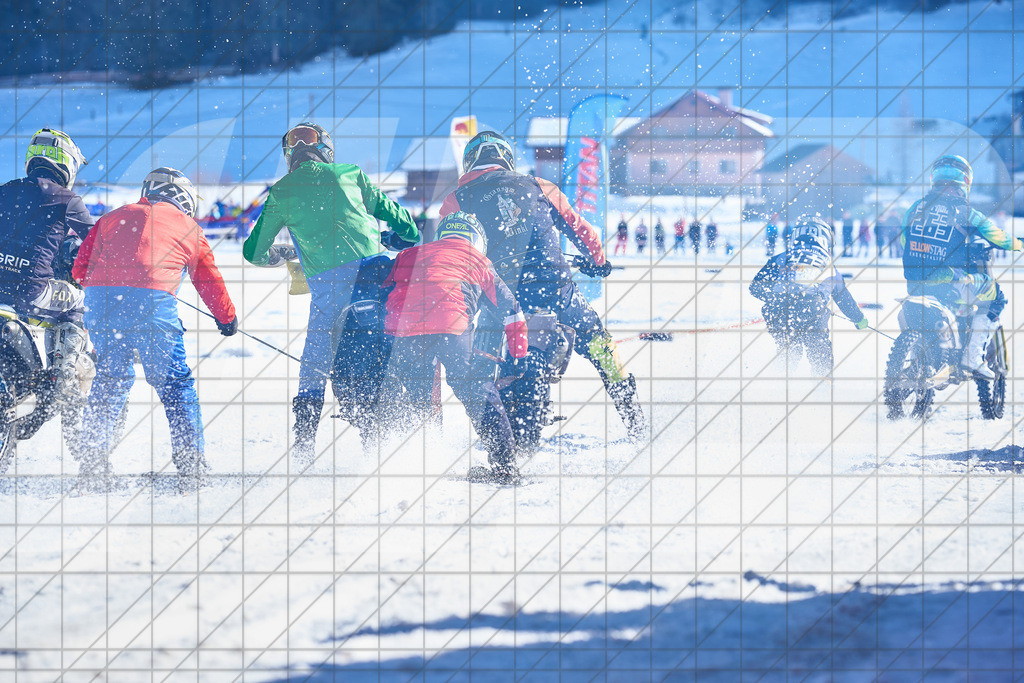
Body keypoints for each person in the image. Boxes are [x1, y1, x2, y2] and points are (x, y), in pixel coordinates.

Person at [439, 130, 646, 443]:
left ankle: (495, 436)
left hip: (499, 298)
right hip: (556, 288)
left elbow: (448, 249)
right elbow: (580, 228)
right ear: (506, 158)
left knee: (482, 365)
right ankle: (634, 421)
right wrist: (599, 262)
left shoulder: (456, 199)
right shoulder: (539, 185)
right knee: (600, 344)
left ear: (470, 163)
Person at [242, 122, 420, 463]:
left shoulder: (282, 192)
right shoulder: (350, 173)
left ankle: (304, 445)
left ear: (290, 154)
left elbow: (253, 252)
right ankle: (409, 428)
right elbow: (408, 228)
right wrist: (394, 239)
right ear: (326, 148)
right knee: (393, 345)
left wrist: (276, 256)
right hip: (378, 277)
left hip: (330, 293)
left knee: (315, 363)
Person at [72, 168, 238, 491]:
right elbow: (208, 279)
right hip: (152, 308)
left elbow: (80, 269)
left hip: (101, 303)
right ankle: (191, 465)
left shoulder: (112, 217)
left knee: (110, 380)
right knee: (175, 384)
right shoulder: (188, 227)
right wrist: (227, 318)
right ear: (184, 198)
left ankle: (92, 461)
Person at [383, 212, 528, 483]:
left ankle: (407, 462)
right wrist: (519, 355)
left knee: (412, 391)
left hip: (404, 326)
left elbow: (381, 286)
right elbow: (512, 312)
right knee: (475, 390)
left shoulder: (411, 254)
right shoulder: (479, 260)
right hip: (452, 325)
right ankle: (505, 467)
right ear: (476, 239)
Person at [900, 154, 1021, 379]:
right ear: (965, 182)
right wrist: (1020, 243)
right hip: (947, 282)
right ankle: (972, 357)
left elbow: (904, 241)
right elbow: (1000, 238)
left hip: (914, 283)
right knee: (995, 295)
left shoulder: (915, 208)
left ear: (934, 179)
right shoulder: (964, 212)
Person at [0, 128, 95, 400]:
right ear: (67, 163)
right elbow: (98, 243)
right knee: (76, 300)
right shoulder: (68, 200)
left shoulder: (5, 190)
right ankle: (64, 372)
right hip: (32, 291)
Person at [749, 215, 869, 375]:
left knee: (788, 351)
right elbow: (844, 299)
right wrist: (858, 319)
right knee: (820, 355)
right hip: (812, 310)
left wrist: (777, 298)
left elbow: (756, 287)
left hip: (778, 309)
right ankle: (821, 390)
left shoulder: (781, 257)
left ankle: (776, 386)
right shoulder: (829, 266)